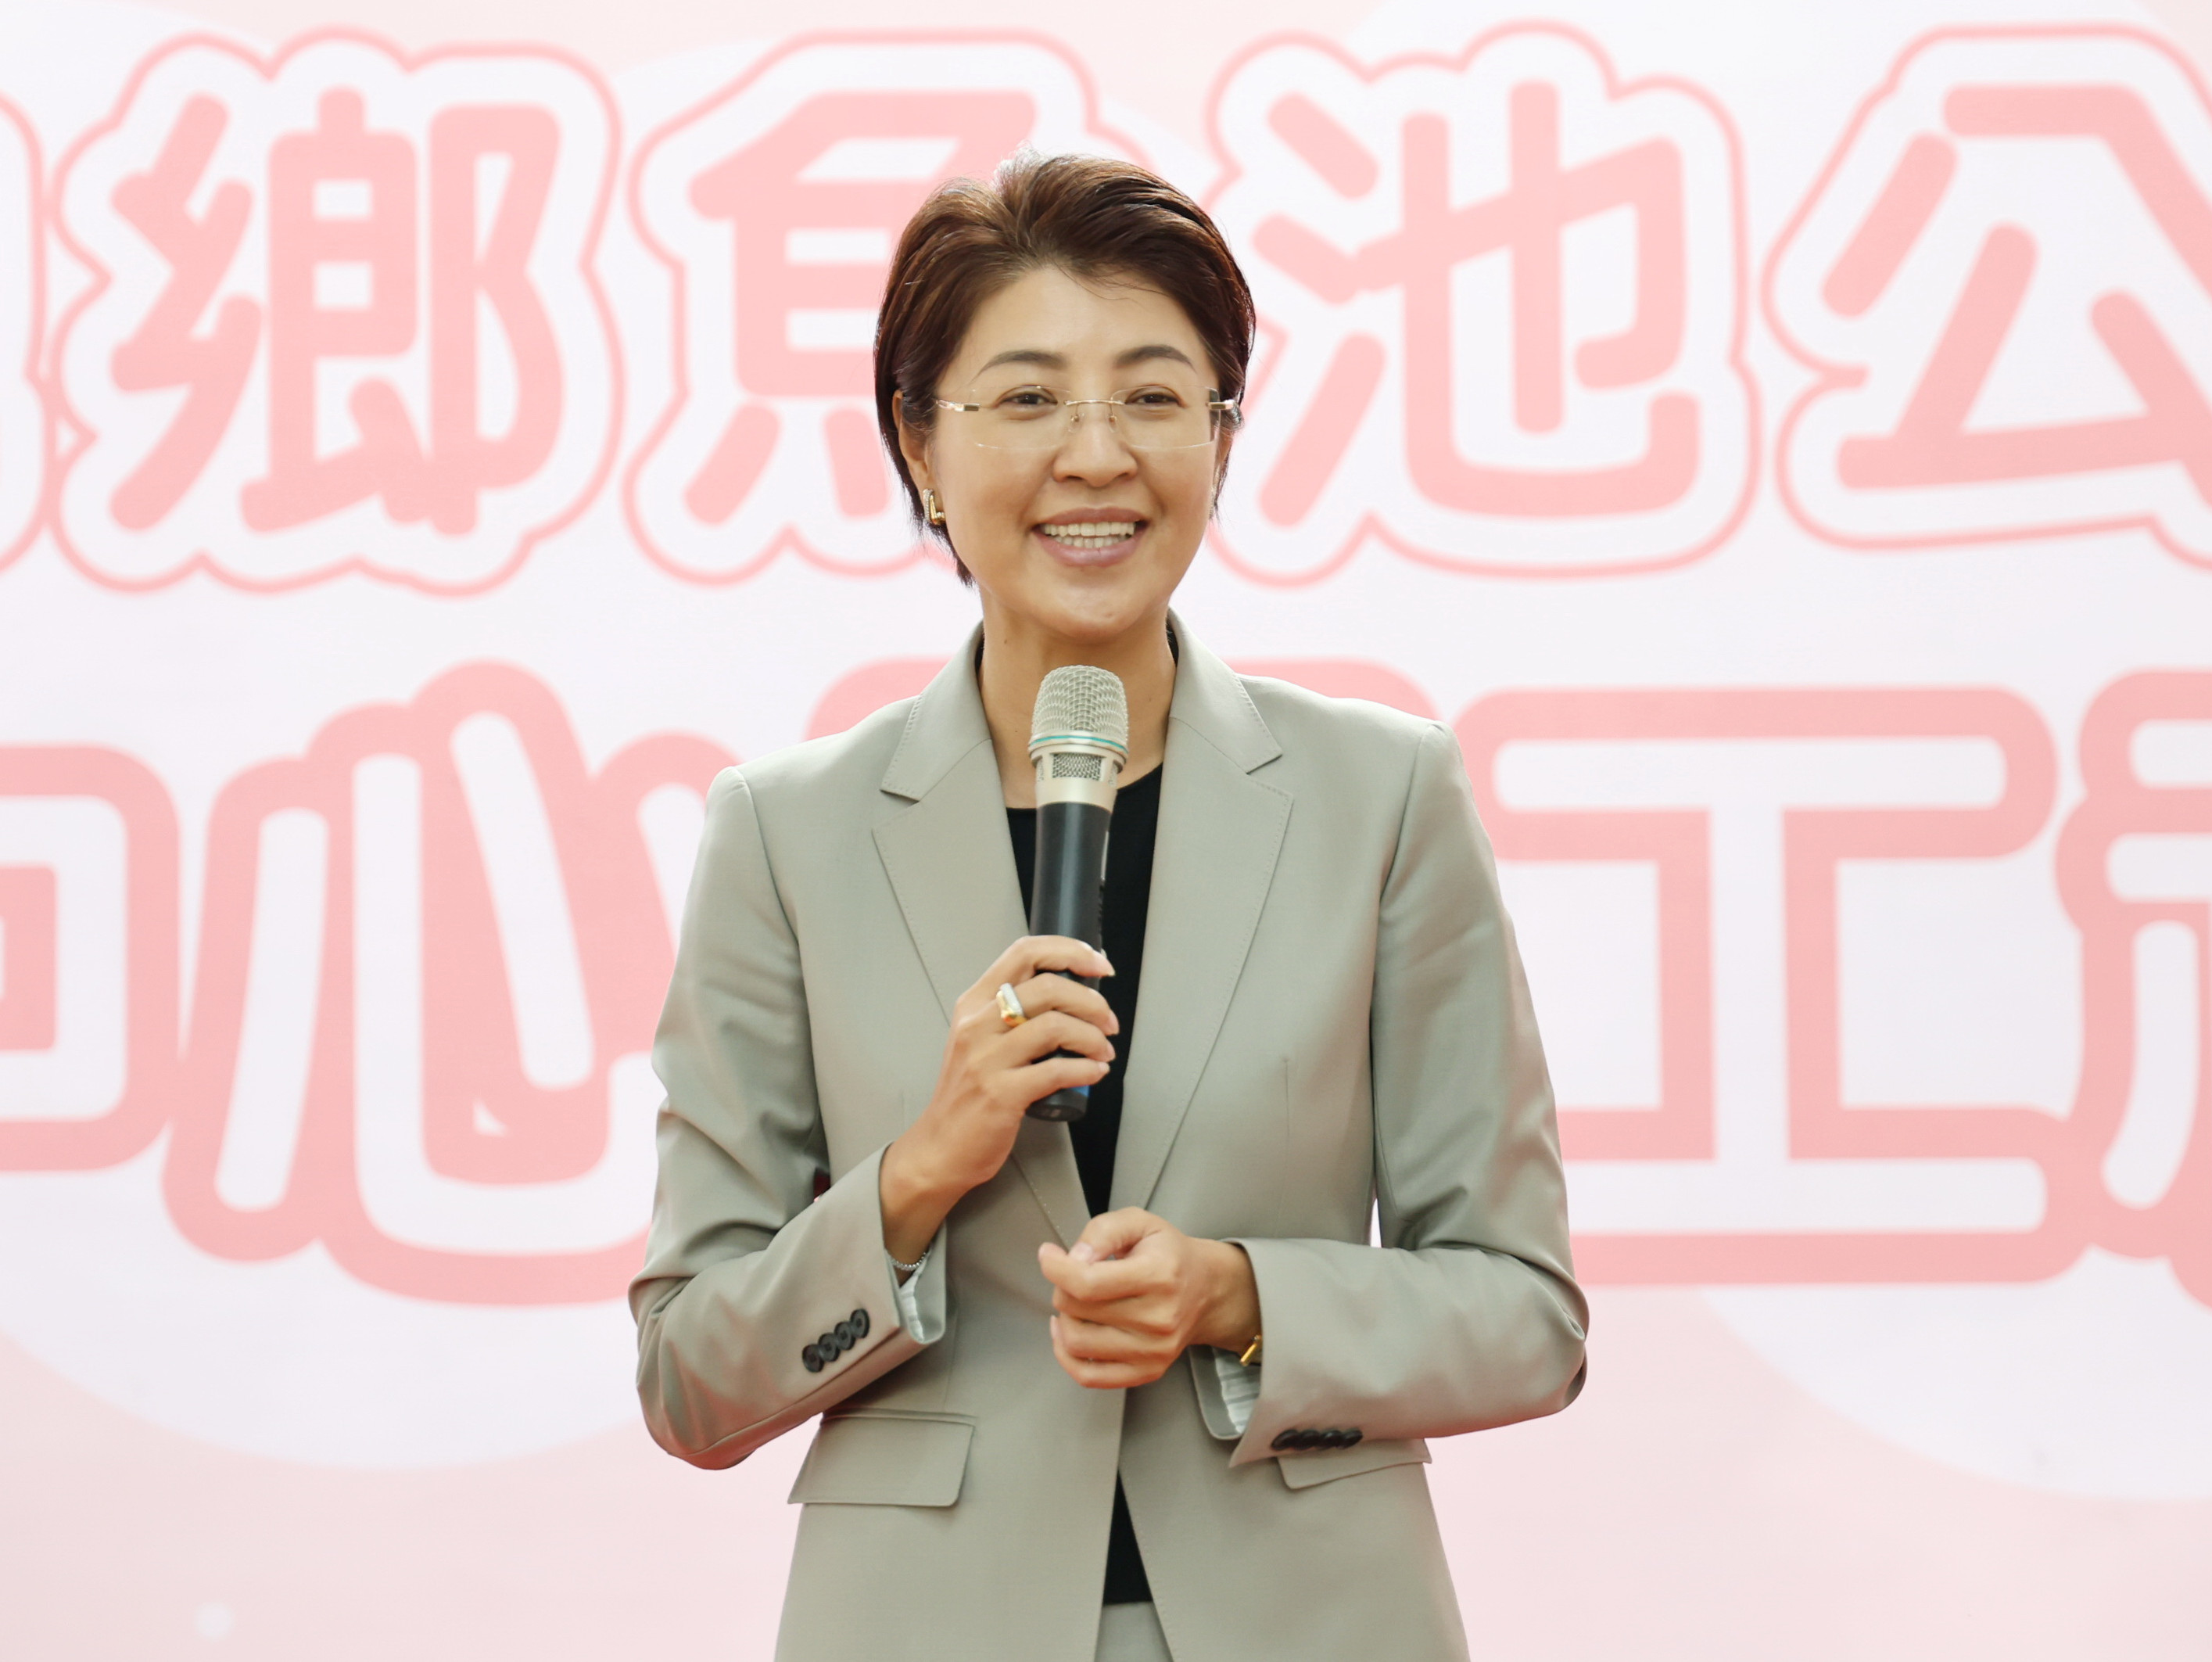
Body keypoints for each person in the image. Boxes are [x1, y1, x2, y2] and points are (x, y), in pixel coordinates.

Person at [630, 153, 1585, 1662]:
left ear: (1220, 437)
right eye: (1026, 398)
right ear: (919, 444)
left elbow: (1525, 1312)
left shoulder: (1382, 796)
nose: (1096, 454)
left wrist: (1238, 1296)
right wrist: (917, 1174)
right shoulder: (787, 834)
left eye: (1152, 396)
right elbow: (690, 1375)